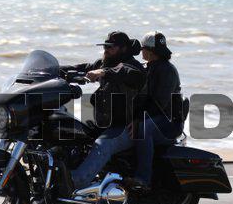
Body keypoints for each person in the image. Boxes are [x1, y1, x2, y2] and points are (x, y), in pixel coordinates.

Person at [61, 31, 145, 190]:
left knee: (103, 144)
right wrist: (53, 70)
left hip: (127, 127)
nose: (106, 50)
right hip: (105, 124)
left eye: (110, 47)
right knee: (71, 130)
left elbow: (125, 72)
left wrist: (103, 73)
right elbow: (82, 68)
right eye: (105, 46)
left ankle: (74, 183)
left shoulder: (134, 68)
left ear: (123, 49)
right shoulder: (106, 63)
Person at [129, 31, 182, 189]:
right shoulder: (150, 67)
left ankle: (143, 179)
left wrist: (137, 120)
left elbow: (159, 104)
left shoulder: (167, 71)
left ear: (151, 51)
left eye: (143, 49)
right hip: (154, 116)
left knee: (144, 130)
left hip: (169, 122)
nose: (141, 52)